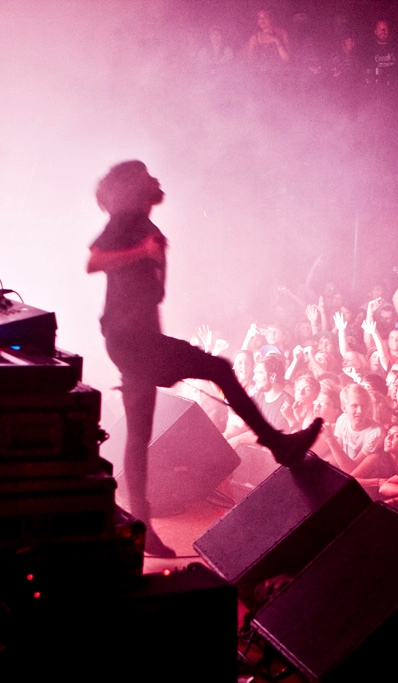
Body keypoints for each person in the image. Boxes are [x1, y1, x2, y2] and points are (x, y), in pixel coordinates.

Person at [87, 160, 322, 558]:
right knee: (218, 369)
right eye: (145, 175)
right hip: (133, 341)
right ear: (134, 186)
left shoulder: (140, 220)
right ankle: (277, 444)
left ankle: (141, 527)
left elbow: (143, 293)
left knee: (142, 431)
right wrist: (141, 251)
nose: (154, 178)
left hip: (134, 339)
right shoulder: (127, 220)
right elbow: (95, 261)